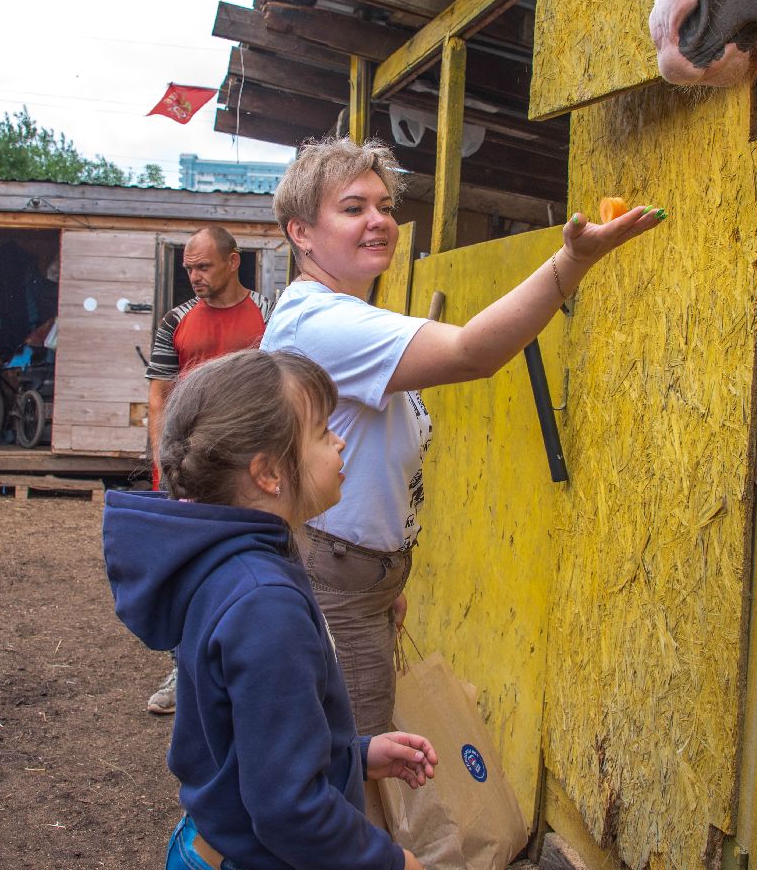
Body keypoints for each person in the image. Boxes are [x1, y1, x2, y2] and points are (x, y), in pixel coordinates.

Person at [264, 137, 664, 735]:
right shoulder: (321, 321)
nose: (379, 221)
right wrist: (572, 262)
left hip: (358, 575)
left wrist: (386, 579)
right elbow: (473, 352)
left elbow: (373, 462)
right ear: (301, 233)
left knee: (352, 756)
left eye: (383, 206)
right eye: (352, 208)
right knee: (343, 770)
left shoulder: (342, 315)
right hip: (333, 578)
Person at [105, 349, 437, 870]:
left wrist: (354, 755)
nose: (340, 441)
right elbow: (289, 810)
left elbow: (249, 736)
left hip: (213, 842)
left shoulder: (234, 564)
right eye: (323, 431)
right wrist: (394, 863)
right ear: (267, 473)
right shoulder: (264, 601)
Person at [142, 225, 273, 715]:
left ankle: (246, 670)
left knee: (250, 563)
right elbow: (160, 391)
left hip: (246, 466)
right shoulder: (175, 320)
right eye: (189, 268)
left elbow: (282, 382)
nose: (194, 276)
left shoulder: (268, 313)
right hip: (187, 466)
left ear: (233, 261)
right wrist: (161, 458)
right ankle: (185, 667)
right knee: (188, 568)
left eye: (203, 266)